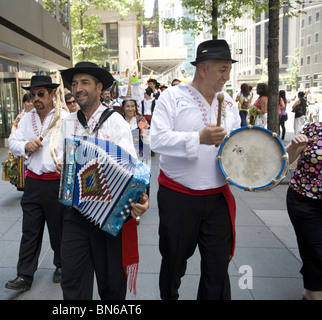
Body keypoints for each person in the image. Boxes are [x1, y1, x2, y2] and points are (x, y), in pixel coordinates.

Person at [151, 39, 240, 300]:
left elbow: (237, 147)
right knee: (174, 261)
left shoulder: (230, 104)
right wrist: (197, 138)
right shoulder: (171, 97)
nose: (227, 76)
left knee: (217, 267)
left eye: (228, 69)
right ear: (203, 69)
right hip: (179, 197)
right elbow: (157, 140)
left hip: (217, 197)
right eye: (222, 69)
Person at [58, 61, 150, 300]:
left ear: (99, 88)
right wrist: (61, 163)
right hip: (75, 212)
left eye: (84, 83)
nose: (78, 88)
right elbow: (59, 156)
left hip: (108, 214)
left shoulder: (116, 121)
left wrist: (141, 197)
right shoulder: (68, 122)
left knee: (111, 285)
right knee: (72, 280)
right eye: (75, 83)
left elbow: (132, 168)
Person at [6, 75, 68, 293]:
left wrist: (65, 162)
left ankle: (61, 265)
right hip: (33, 182)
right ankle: (24, 275)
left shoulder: (65, 118)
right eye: (32, 94)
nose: (36, 98)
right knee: (29, 230)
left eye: (41, 93)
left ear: (52, 94)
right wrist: (25, 145)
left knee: (58, 228)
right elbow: (13, 142)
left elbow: (73, 145)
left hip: (56, 183)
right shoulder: (25, 119)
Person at [285, 122, 322, 300]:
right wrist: (294, 146)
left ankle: (310, 291)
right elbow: (285, 160)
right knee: (315, 251)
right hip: (305, 200)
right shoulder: (313, 129)